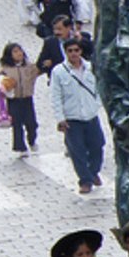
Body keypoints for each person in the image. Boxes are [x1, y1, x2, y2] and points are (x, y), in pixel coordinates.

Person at [47, 39, 103, 195]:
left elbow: (99, 87)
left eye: (76, 50)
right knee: (77, 151)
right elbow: (56, 96)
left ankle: (93, 172)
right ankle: (85, 180)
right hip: (72, 117)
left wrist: (96, 104)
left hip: (90, 115)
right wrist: (60, 118)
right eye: (70, 51)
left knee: (97, 146)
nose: (73, 54)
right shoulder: (59, 72)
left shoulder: (91, 68)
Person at [0, 44, 35, 155]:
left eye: (20, 50)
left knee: (32, 123)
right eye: (15, 52)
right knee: (17, 124)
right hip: (13, 100)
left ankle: (32, 140)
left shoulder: (29, 66)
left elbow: (36, 73)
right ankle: (21, 147)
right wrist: (0, 90)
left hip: (27, 98)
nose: (19, 53)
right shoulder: (5, 69)